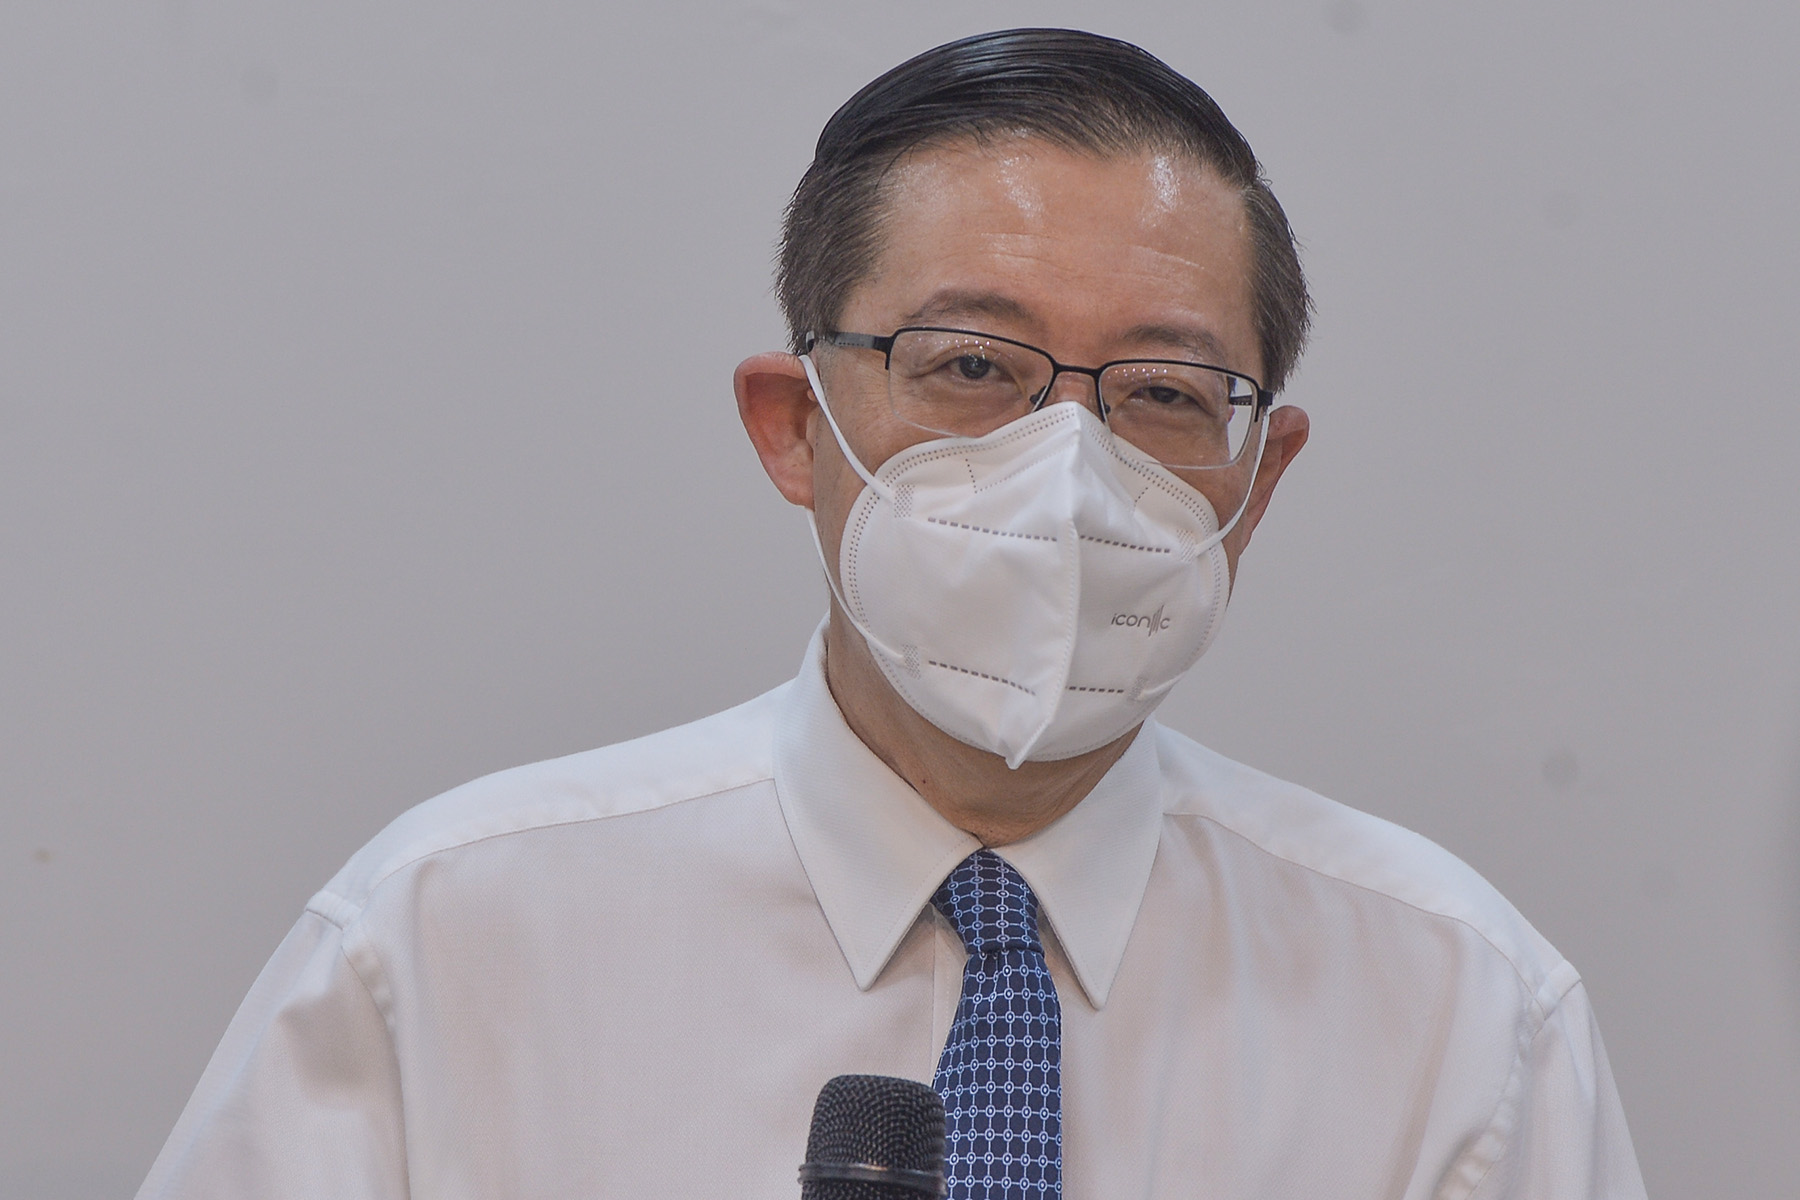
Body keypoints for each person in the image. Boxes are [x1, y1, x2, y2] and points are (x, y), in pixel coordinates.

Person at [138, 29, 1646, 1200]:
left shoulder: (1461, 1011)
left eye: (1166, 395)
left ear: (1258, 482)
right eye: (972, 369)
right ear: (794, 427)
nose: (1069, 473)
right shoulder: (446, 944)